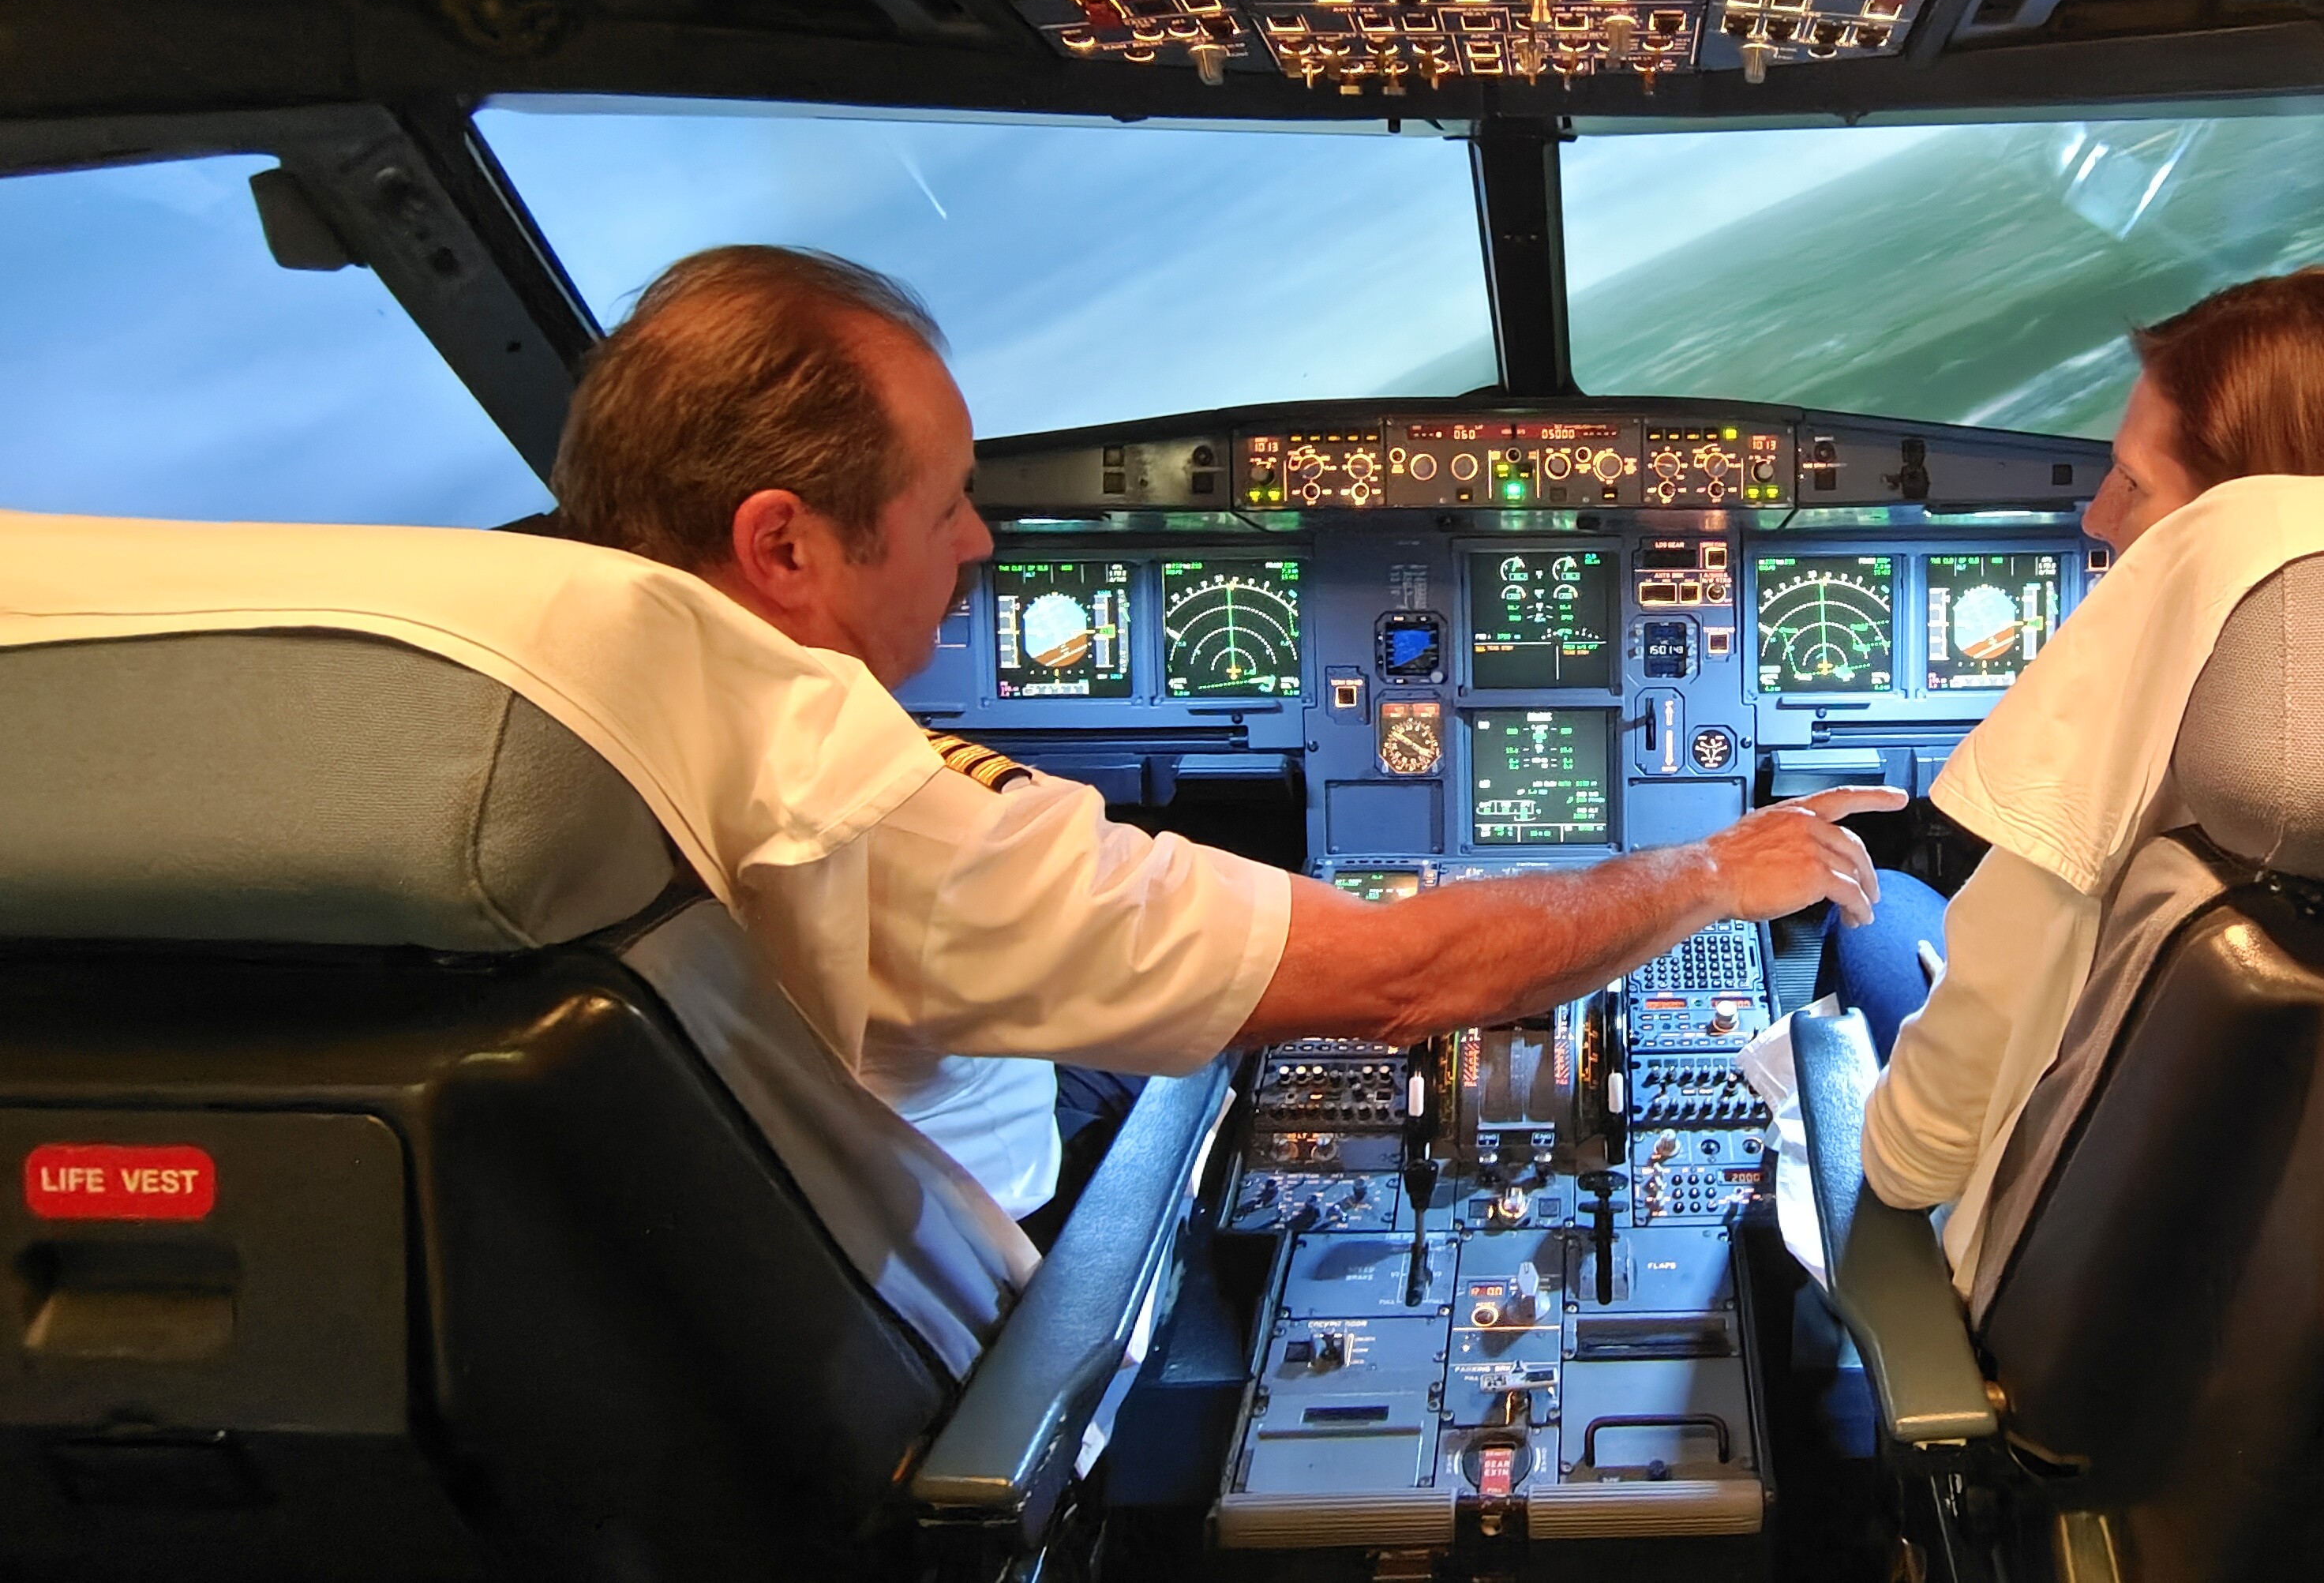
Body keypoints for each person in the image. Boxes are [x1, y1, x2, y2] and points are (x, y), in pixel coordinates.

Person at [546, 246, 1901, 1229]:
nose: (982, 545)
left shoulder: (521, 716)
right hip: (973, 1240)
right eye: (946, 502)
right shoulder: (868, 815)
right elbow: (1406, 979)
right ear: (782, 546)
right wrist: (1710, 871)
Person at [1830, 268, 2324, 1222]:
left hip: (2111, 1250)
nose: (2096, 519)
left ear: (2236, 525)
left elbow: (1909, 1162)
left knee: (1880, 903)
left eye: (2133, 485)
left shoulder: (2119, 757)